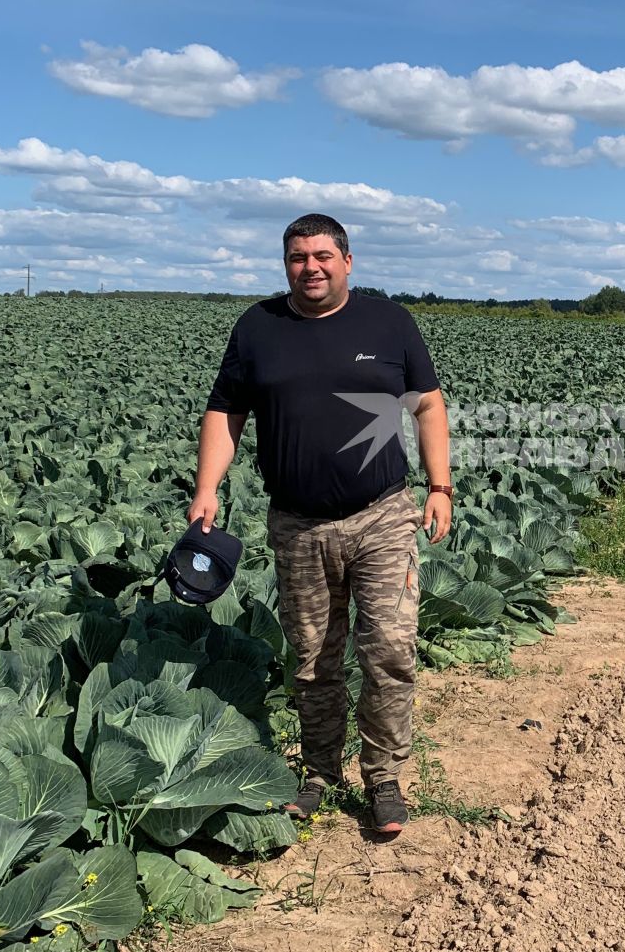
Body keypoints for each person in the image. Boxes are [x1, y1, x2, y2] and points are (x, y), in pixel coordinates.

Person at [189, 213, 452, 836]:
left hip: (382, 513)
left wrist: (440, 487)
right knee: (312, 656)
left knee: (388, 647)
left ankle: (384, 776)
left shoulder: (389, 323)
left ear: (348, 261)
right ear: (286, 265)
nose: (311, 267)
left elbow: (429, 405)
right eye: (298, 258)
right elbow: (225, 410)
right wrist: (207, 489)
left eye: (322, 256)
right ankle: (320, 770)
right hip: (298, 524)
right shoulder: (258, 327)